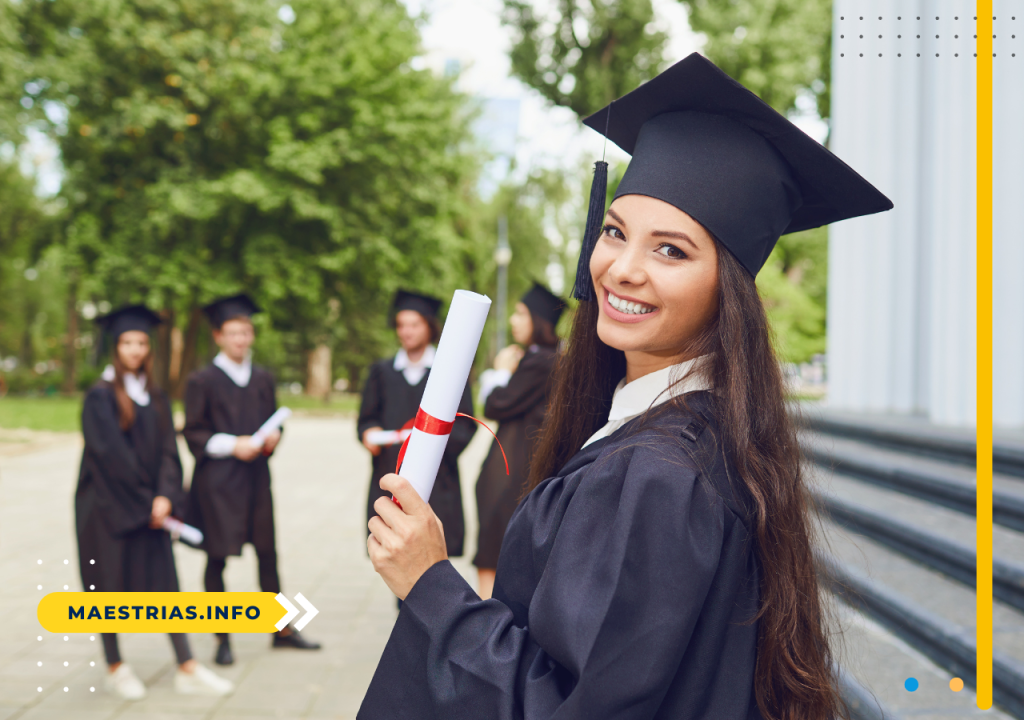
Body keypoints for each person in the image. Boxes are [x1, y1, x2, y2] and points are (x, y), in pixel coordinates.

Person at [358, 53, 893, 720]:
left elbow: (577, 706)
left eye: (671, 250)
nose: (622, 269)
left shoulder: (658, 477)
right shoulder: (701, 437)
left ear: (727, 290)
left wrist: (429, 582)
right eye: (614, 232)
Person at [76, 305, 234, 700]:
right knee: (106, 588)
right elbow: (110, 457)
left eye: (141, 343)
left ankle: (187, 666)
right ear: (116, 347)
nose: (135, 350)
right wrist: (148, 502)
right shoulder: (99, 397)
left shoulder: (156, 395)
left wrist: (166, 495)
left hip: (151, 508)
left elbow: (169, 450)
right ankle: (115, 665)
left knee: (166, 586)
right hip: (108, 509)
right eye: (128, 342)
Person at [183, 294, 320, 667]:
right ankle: (222, 638)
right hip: (218, 482)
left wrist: (272, 440)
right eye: (233, 333)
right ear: (218, 337)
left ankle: (281, 629)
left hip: (257, 478)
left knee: (267, 553)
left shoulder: (262, 378)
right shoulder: (202, 380)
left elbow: (275, 421)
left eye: (246, 332)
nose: (241, 340)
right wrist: (233, 445)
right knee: (217, 558)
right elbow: (193, 433)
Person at [358, 290, 476, 565]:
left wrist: (432, 448)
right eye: (401, 325)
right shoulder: (382, 372)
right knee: (394, 550)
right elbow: (366, 418)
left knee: (432, 557)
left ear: (429, 327)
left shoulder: (449, 372)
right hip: (390, 471)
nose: (406, 332)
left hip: (437, 477)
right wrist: (368, 434)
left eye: (414, 324)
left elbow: (466, 424)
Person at [473, 283, 563, 599]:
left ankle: (481, 628)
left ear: (539, 320)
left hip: (512, 470)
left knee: (492, 548)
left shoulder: (541, 360)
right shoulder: (551, 356)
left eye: (521, 313)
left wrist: (501, 372)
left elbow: (496, 404)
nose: (513, 320)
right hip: (519, 466)